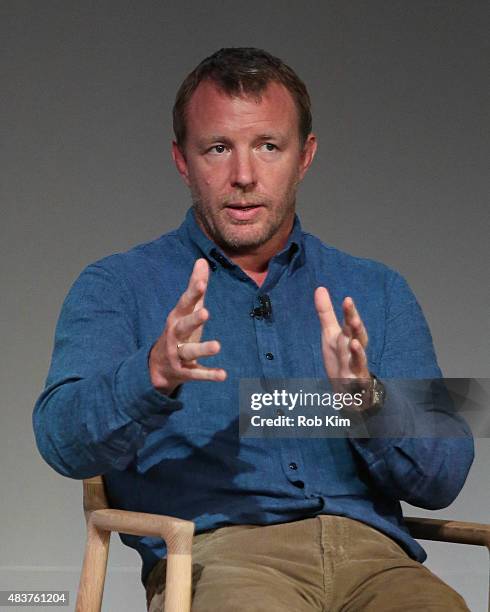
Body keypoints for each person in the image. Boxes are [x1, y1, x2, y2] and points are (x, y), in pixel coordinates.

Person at [33, 48, 473, 611]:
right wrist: (151, 375)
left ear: (305, 155)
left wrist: (367, 401)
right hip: (221, 556)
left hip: (378, 562)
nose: (243, 176)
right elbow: (59, 440)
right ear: (182, 160)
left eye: (268, 146)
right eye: (218, 148)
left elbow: (446, 476)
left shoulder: (379, 290)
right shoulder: (117, 283)